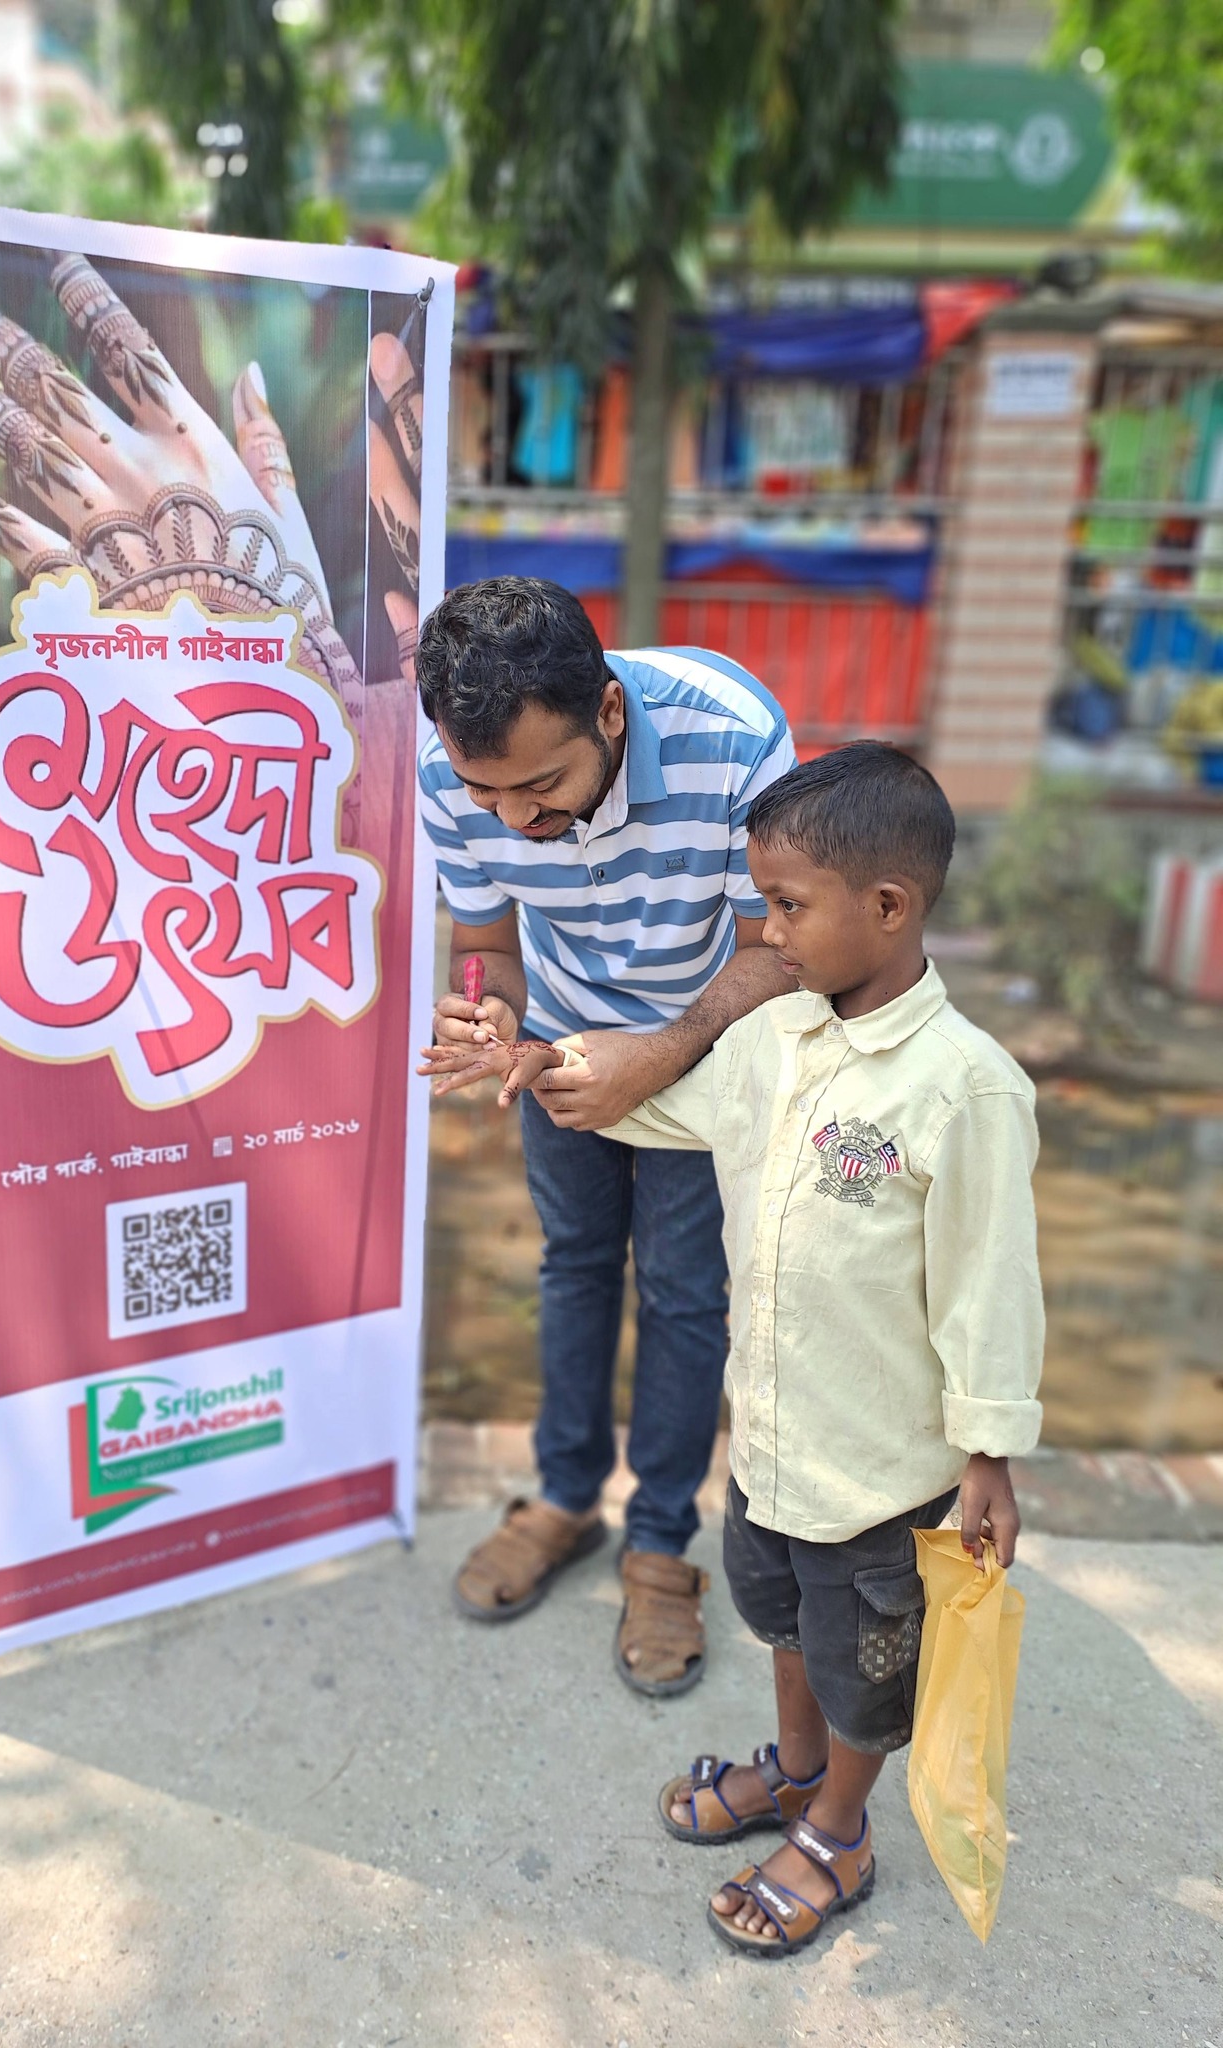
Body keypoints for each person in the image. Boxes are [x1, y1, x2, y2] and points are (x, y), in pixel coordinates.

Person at [432, 742, 1043, 1957]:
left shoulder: (964, 1088)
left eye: (786, 906)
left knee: (864, 1660)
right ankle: (798, 1768)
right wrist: (541, 1062)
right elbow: (665, 1104)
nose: (765, 931)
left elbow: (992, 1284)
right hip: (767, 1445)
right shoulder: (775, 1038)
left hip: (880, 1472)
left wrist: (990, 1455)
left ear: (888, 906)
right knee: (780, 1620)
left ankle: (841, 1830)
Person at [415, 577, 795, 1693]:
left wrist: (666, 1049)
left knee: (684, 1291)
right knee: (574, 1263)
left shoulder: (732, 736)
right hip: (563, 1051)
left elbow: (776, 948)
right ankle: (567, 1495)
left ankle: (662, 1539)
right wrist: (492, 1009)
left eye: (543, 784)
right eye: (489, 794)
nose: (517, 819)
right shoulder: (454, 767)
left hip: (712, 1039)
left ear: (611, 714)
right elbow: (483, 935)